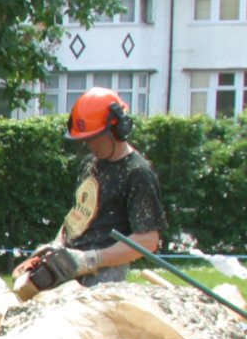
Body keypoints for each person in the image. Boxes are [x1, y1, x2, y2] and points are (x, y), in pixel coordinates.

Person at [13, 86, 165, 291]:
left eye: (94, 137)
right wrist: (56, 246)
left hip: (105, 274)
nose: (89, 143)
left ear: (118, 129)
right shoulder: (90, 164)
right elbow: (79, 213)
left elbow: (148, 240)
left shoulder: (137, 172)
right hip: (70, 265)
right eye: (85, 138)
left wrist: (91, 259)